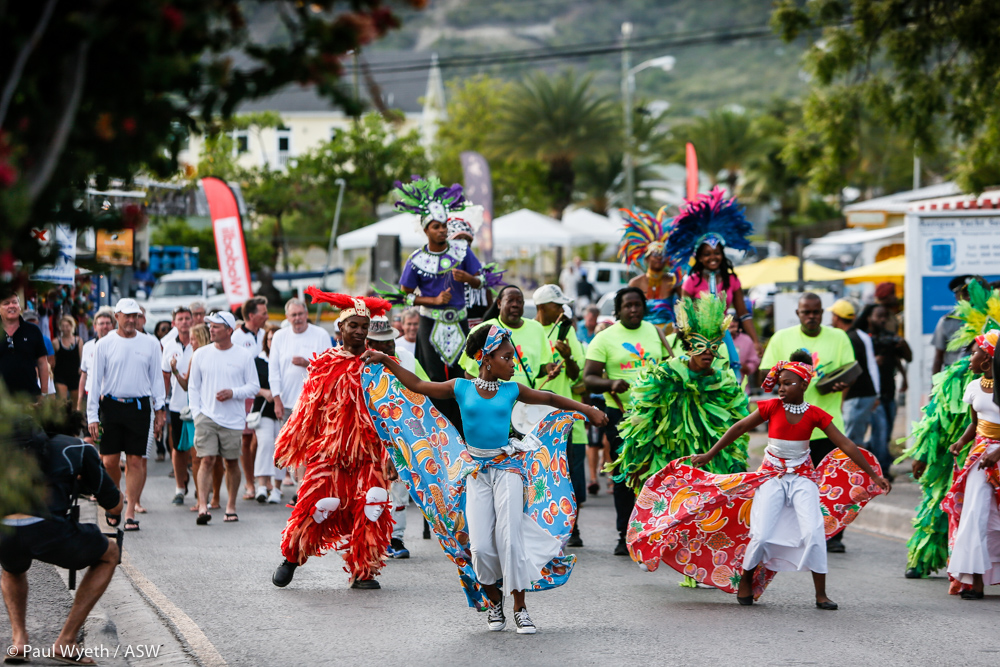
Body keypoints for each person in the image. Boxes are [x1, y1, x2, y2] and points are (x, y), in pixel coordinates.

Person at [363, 323, 607, 633]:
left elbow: (550, 398)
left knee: (510, 539)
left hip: (508, 469)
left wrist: (587, 409)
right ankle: (494, 601)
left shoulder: (512, 390)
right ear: (486, 358)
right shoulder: (461, 387)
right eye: (507, 357)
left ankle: (520, 608)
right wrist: (386, 361)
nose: (512, 363)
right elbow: (419, 385)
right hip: (475, 474)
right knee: (478, 547)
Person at [630, 355, 889, 609]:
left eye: (788, 383)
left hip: (802, 479)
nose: (782, 387)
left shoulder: (815, 414)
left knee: (814, 532)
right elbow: (739, 428)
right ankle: (746, 581)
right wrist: (710, 453)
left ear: (804, 385)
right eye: (780, 383)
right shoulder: (771, 407)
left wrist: (875, 475)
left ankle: (821, 594)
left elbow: (845, 443)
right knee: (762, 535)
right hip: (771, 477)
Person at [610, 294, 750, 585]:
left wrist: (731, 455)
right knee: (667, 503)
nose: (708, 353)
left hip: (709, 455)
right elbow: (644, 411)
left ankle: (697, 566)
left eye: (714, 348)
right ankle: (650, 547)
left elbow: (737, 419)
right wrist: (639, 452)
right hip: (669, 451)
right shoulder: (666, 373)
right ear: (689, 347)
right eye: (701, 348)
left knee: (706, 507)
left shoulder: (723, 380)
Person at [271, 290, 395, 590]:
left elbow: (395, 413)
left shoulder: (381, 364)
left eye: (364, 326)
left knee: (372, 505)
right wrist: (287, 444)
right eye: (353, 325)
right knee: (316, 505)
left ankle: (363, 571)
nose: (359, 331)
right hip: (329, 453)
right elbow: (306, 410)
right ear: (340, 328)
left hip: (369, 453)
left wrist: (394, 454)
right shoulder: (325, 364)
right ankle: (291, 557)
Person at [0, 407, 123, 665]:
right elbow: (114, 506)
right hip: (49, 530)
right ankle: (66, 641)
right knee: (109, 553)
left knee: (12, 569)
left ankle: (19, 641)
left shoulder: (13, 446)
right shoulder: (77, 448)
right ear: (73, 429)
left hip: (5, 531)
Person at [897, 279, 996, 580]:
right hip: (960, 443)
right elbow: (937, 418)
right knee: (942, 496)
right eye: (961, 295)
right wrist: (924, 455)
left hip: (990, 441)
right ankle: (924, 559)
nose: (964, 299)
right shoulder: (957, 375)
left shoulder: (993, 328)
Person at [760, 292, 856, 552]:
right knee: (790, 487)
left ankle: (834, 536)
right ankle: (792, 532)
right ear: (798, 313)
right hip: (792, 429)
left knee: (832, 483)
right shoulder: (782, 338)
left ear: (823, 312)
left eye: (816, 312)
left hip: (826, 423)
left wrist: (841, 383)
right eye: (806, 312)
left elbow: (851, 371)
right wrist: (785, 373)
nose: (811, 316)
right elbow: (763, 373)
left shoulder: (838, 337)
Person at [387, 177, 483, 430]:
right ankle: (440, 434)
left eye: (444, 226)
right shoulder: (416, 259)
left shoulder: (462, 251)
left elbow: (482, 280)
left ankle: (465, 433)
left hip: (460, 322)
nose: (442, 230)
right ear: (426, 230)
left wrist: (468, 278)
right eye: (436, 226)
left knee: (464, 378)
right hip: (430, 324)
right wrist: (432, 299)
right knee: (432, 379)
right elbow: (404, 294)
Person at [583, 287, 667, 555]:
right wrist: (610, 383)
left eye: (637, 305)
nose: (633, 309)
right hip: (621, 416)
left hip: (655, 415)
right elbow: (589, 377)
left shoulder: (656, 333)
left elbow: (670, 366)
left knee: (655, 474)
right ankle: (625, 535)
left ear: (644, 307)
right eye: (627, 305)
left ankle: (654, 531)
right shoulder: (605, 338)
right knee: (625, 475)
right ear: (617, 311)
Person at [86, 298, 166, 532]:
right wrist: (92, 415)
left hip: (139, 406)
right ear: (117, 317)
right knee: (110, 461)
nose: (131, 320)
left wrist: (160, 409)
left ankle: (129, 512)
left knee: (135, 460)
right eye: (127, 315)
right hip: (111, 406)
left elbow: (156, 379)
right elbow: (94, 381)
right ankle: (115, 500)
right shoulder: (104, 343)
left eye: (136, 316)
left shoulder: (150, 344)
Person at [666, 188, 763, 375]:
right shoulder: (691, 282)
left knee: (730, 371)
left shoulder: (732, 280)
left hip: (723, 335)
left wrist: (756, 341)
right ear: (699, 258)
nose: (713, 257)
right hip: (696, 337)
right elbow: (684, 315)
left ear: (723, 254)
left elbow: (744, 314)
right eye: (707, 254)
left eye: (717, 253)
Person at [941, 330, 1000, 599]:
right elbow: (975, 424)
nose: (969, 358)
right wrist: (962, 442)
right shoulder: (974, 386)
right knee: (975, 516)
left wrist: (997, 453)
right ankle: (976, 582)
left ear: (988, 360)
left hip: (996, 456)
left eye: (975, 352)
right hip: (979, 457)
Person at [363, 315, 427, 560]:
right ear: (369, 342)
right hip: (368, 435)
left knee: (399, 487)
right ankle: (368, 537)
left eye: (390, 340)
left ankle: (395, 538)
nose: (387, 346)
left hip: (401, 431)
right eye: (381, 342)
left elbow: (423, 387)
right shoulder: (360, 362)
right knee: (371, 489)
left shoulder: (406, 358)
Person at [188, 311, 259, 525]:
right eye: (210, 326)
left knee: (231, 462)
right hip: (206, 416)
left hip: (233, 419)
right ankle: (203, 506)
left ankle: (231, 506)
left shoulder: (243, 355)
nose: (211, 329)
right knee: (206, 459)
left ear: (229, 330)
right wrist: (196, 414)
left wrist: (233, 392)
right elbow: (193, 387)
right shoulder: (201, 354)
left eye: (216, 326)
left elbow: (253, 386)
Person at [533, 284, 588, 547]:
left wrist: (569, 357)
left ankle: (572, 528)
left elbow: (578, 377)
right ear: (542, 308)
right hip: (534, 417)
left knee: (570, 473)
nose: (562, 310)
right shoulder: (530, 332)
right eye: (557, 306)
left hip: (565, 416)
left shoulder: (567, 332)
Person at [856, 303, 912, 477]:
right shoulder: (863, 338)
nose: (882, 320)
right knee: (880, 430)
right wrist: (872, 360)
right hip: (873, 394)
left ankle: (872, 459)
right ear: (868, 318)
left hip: (889, 391)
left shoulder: (890, 338)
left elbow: (904, 358)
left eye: (884, 317)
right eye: (878, 316)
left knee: (885, 433)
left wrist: (903, 347)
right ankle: (881, 471)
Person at [461, 285, 554, 390]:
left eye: (519, 301)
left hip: (526, 401)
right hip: (494, 402)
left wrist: (546, 369)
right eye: (510, 300)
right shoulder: (483, 331)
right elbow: (470, 374)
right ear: (499, 303)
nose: (515, 305)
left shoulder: (537, 329)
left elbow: (536, 370)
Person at [269, 298, 332, 427]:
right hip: (287, 403)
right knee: (288, 446)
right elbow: (273, 371)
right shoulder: (279, 336)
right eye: (293, 315)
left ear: (306, 314)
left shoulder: (321, 335)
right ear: (287, 317)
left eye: (300, 314)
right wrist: (276, 400)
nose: (297, 318)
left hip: (313, 404)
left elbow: (329, 368)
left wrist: (307, 363)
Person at [828, 299, 880, 451]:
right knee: (853, 439)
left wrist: (841, 401)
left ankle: (859, 473)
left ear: (837, 317)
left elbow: (849, 374)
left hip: (856, 395)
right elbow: (872, 365)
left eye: (832, 315)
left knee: (851, 442)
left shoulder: (846, 339)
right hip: (865, 394)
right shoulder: (860, 335)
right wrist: (876, 393)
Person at [232, 295, 269, 500]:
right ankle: (249, 482)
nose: (267, 316)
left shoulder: (266, 334)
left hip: (264, 394)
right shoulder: (237, 337)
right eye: (263, 313)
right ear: (252, 315)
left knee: (260, 438)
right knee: (246, 439)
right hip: (246, 393)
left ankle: (259, 476)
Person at [620, 207, 677, 327]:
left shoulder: (673, 281)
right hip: (643, 334)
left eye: (663, 254)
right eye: (655, 253)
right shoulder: (635, 283)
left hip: (669, 334)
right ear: (646, 258)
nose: (659, 258)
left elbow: (686, 305)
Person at [161, 306, 194, 505]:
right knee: (178, 448)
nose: (184, 322)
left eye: (187, 318)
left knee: (197, 449)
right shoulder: (168, 345)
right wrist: (161, 405)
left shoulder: (200, 342)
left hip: (198, 405)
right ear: (174, 323)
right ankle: (180, 487)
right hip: (176, 404)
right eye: (180, 319)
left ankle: (202, 488)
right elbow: (165, 376)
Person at [252, 324, 284, 505]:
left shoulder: (284, 359)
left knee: (280, 449)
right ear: (266, 341)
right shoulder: (259, 361)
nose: (273, 342)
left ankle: (277, 488)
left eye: (276, 338)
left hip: (283, 409)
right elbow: (250, 384)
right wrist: (265, 392)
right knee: (264, 444)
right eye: (270, 338)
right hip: (263, 409)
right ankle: (262, 485)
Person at [0, 288, 50, 399]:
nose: (11, 306)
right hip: (3, 402)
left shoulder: (33, 330)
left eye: (14, 302)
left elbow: (42, 363)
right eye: (6, 303)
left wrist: (44, 394)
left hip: (30, 398)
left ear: (19, 306)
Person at [932, 275, 985, 375]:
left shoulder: (988, 318)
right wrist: (934, 387)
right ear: (957, 296)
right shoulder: (946, 321)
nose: (969, 297)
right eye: (965, 293)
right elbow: (938, 357)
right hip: (955, 379)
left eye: (973, 292)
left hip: (981, 376)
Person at [77, 307, 115, 430]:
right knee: (90, 437)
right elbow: (84, 375)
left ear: (113, 325)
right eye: (101, 324)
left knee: (106, 439)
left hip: (111, 398)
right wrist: (79, 402)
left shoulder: (118, 346)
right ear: (95, 327)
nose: (105, 326)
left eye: (108, 323)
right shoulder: (88, 347)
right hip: (91, 397)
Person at [51, 315, 82, 405]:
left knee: (75, 403)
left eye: (67, 326)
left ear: (72, 327)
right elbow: (53, 358)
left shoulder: (79, 341)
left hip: (74, 375)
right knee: (62, 403)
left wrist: (81, 368)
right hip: (60, 374)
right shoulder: (56, 342)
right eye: (63, 326)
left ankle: (74, 418)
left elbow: (81, 357)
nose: (65, 329)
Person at [728, 312, 760, 380]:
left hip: (741, 384)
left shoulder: (747, 340)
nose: (732, 324)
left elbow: (754, 362)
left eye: (735, 321)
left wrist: (745, 367)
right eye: (729, 321)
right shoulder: (717, 339)